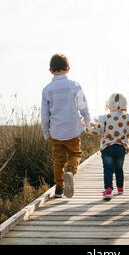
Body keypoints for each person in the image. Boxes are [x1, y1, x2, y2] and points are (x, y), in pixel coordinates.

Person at [41, 53, 90, 198]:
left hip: (56, 132)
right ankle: (70, 172)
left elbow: (44, 115)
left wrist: (46, 132)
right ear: (68, 69)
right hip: (73, 129)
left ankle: (59, 188)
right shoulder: (75, 85)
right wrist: (86, 122)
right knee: (75, 153)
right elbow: (83, 107)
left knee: (58, 159)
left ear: (50, 70)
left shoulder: (47, 89)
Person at [84, 93, 129, 200]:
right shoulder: (128, 117)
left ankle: (108, 190)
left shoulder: (105, 118)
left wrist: (86, 128)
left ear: (109, 105)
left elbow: (97, 130)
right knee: (119, 168)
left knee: (108, 169)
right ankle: (120, 188)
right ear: (124, 105)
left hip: (107, 148)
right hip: (120, 148)